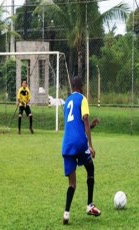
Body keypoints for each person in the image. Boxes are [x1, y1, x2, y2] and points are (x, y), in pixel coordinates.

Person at [61, 76, 101, 225]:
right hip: (80, 143)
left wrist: (92, 126)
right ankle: (90, 205)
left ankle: (66, 214)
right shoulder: (82, 99)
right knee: (90, 168)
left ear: (72, 87)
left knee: (72, 183)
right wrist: (90, 145)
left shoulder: (66, 103)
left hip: (67, 145)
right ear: (81, 86)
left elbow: (76, 126)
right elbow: (83, 121)